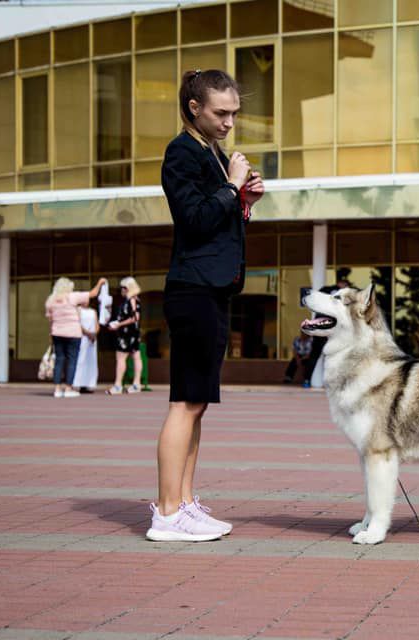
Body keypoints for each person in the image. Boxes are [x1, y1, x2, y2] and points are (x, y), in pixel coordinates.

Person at [147, 68, 264, 542]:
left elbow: (216, 221)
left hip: (210, 288)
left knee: (197, 405)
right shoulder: (182, 152)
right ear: (195, 108)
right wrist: (231, 186)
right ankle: (168, 512)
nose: (230, 122)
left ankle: (186, 503)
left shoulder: (210, 154)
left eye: (235, 113)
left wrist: (243, 202)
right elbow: (193, 220)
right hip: (192, 288)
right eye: (221, 112)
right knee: (184, 402)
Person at [45, 276, 107, 398]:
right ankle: (68, 389)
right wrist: (99, 283)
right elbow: (93, 294)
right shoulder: (72, 296)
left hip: (57, 333)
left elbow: (50, 320)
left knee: (59, 360)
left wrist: (51, 334)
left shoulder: (50, 301)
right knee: (72, 361)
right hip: (73, 333)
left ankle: (57, 389)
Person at [305, 274, 351, 382]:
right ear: (342, 284)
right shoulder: (344, 295)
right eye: (346, 285)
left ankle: (307, 380)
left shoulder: (326, 289)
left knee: (315, 354)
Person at [105, 276, 143, 395]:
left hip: (127, 333)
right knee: (136, 356)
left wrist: (118, 324)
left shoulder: (131, 300)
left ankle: (118, 385)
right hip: (132, 332)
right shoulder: (135, 299)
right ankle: (136, 384)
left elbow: (135, 317)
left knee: (121, 358)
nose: (121, 290)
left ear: (127, 288)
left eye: (122, 288)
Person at [72, 302, 99, 393]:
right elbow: (77, 323)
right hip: (82, 337)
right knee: (80, 360)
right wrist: (87, 333)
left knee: (91, 360)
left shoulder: (93, 311)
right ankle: (77, 384)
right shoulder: (78, 310)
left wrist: (94, 333)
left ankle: (89, 384)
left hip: (92, 339)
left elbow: (97, 324)